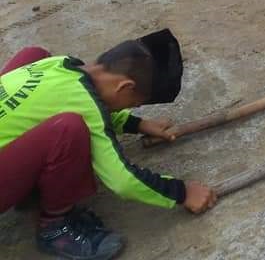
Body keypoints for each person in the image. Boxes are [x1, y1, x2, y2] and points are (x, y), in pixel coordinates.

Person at [0, 30, 216, 260]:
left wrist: (137, 124)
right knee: (68, 130)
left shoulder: (60, 64)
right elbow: (122, 181)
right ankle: (55, 228)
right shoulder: (85, 105)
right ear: (124, 87)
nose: (127, 108)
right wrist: (182, 192)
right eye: (133, 103)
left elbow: (71, 101)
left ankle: (28, 183)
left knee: (32, 55)